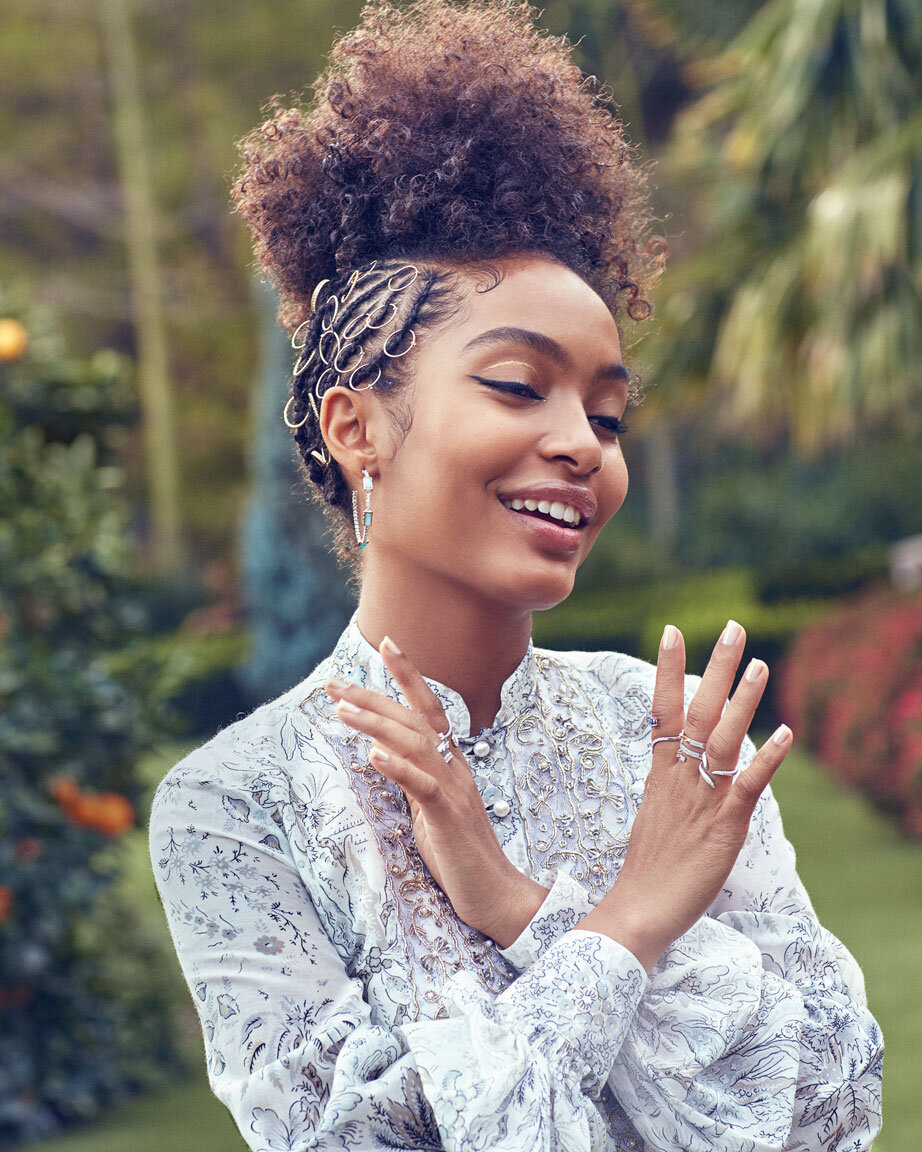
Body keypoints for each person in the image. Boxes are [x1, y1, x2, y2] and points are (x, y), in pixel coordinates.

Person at [148, 2, 884, 1149]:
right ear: (356, 430)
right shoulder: (233, 806)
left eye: (605, 411)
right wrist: (628, 921)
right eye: (515, 386)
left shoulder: (675, 741)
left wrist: (521, 911)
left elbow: (826, 1107)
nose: (583, 443)